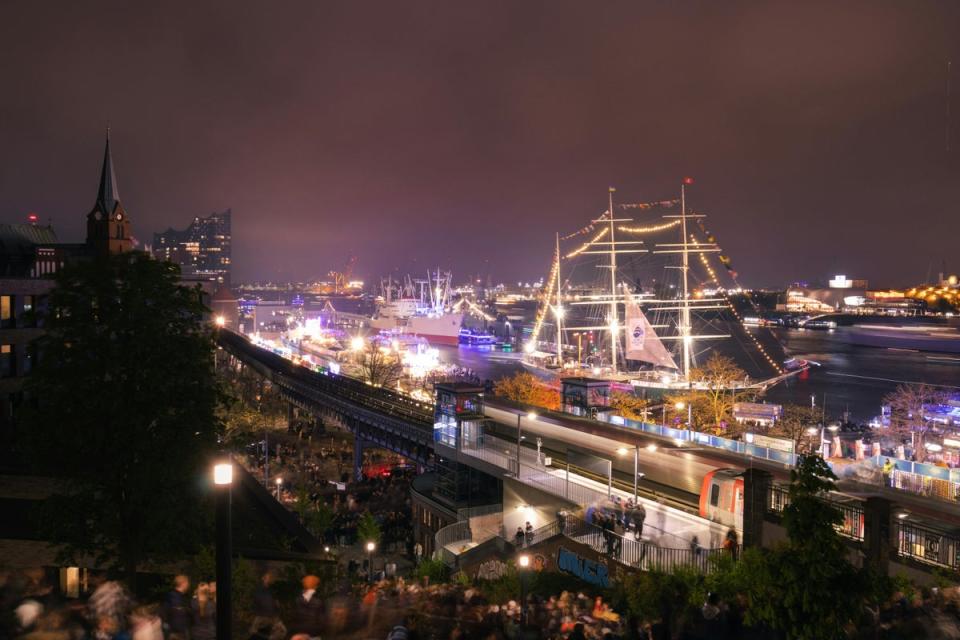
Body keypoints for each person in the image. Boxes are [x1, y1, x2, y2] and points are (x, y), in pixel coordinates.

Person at [251, 572, 285, 640]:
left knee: (282, 631)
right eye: (267, 578)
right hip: (263, 616)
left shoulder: (271, 590)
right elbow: (257, 603)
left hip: (271, 616)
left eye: (270, 578)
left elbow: (276, 603)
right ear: (263, 578)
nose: (269, 580)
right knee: (255, 632)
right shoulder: (259, 590)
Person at [162, 575, 191, 640]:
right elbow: (179, 613)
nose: (188, 585)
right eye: (187, 582)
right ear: (183, 583)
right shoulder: (174, 597)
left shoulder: (182, 596)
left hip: (179, 631)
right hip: (177, 633)